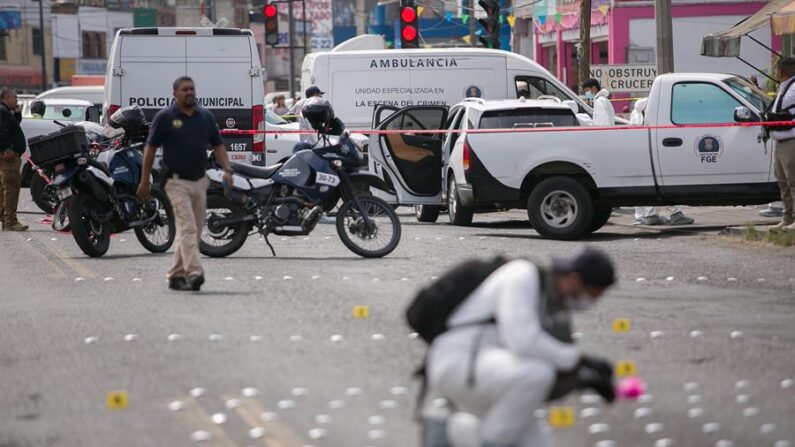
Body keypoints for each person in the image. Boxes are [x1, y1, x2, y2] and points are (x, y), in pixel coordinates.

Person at [427, 247, 616, 447]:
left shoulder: (555, 300)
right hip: (460, 363)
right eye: (593, 295)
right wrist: (579, 361)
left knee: (536, 442)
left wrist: (581, 376)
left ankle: (458, 432)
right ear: (575, 280)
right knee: (536, 375)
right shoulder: (522, 275)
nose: (591, 302)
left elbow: (550, 357)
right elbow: (522, 340)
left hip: (492, 370)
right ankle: (452, 433)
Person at [137, 76, 234, 291]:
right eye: (184, 89)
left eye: (192, 89)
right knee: (189, 228)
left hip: (200, 181)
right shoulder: (165, 118)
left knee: (194, 231)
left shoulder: (205, 117)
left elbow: (218, 145)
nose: (189, 92)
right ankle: (195, 272)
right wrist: (144, 181)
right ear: (175, 94)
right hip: (175, 182)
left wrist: (227, 169)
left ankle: (175, 274)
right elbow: (150, 150)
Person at [630, 98, 695, 226]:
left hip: (640, 151)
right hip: (658, 150)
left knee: (646, 183)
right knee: (668, 180)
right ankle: (675, 214)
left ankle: (648, 216)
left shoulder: (637, 113)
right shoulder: (657, 108)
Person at [768, 57, 795, 231]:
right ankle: (787, 217)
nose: (776, 73)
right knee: (782, 181)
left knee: (793, 181)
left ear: (782, 72)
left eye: (777, 69)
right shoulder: (784, 87)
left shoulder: (793, 88)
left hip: (791, 140)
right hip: (780, 139)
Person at [0, 87, 29, 232]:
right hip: (8, 156)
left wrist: (17, 113)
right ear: (6, 97)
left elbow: (12, 127)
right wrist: (7, 148)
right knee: (11, 187)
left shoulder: (6, 111)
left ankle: (6, 219)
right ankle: (11, 221)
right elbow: (2, 131)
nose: (17, 100)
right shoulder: (2, 111)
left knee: (5, 187)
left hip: (8, 153)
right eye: (15, 97)